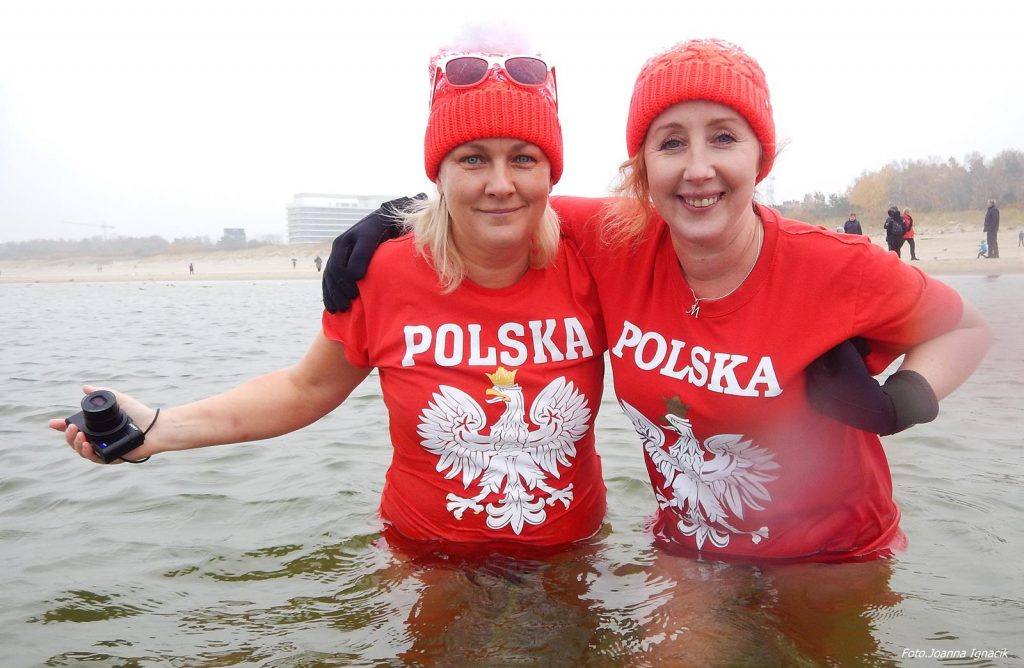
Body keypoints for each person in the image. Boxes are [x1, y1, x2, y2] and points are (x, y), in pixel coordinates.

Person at [324, 38, 990, 564]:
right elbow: (508, 197)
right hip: (689, 550)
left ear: (761, 158)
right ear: (642, 167)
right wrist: (397, 216)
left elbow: (967, 330)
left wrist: (899, 404)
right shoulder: (615, 238)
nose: (698, 168)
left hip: (835, 554)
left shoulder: (834, 265)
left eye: (724, 137)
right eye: (672, 143)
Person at [50, 43, 609, 553]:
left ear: (551, 174)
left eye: (524, 159)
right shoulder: (384, 272)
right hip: (429, 555)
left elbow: (656, 211)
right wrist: (158, 429)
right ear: (438, 174)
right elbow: (307, 389)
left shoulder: (597, 257)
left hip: (570, 551)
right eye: (472, 159)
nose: (500, 184)